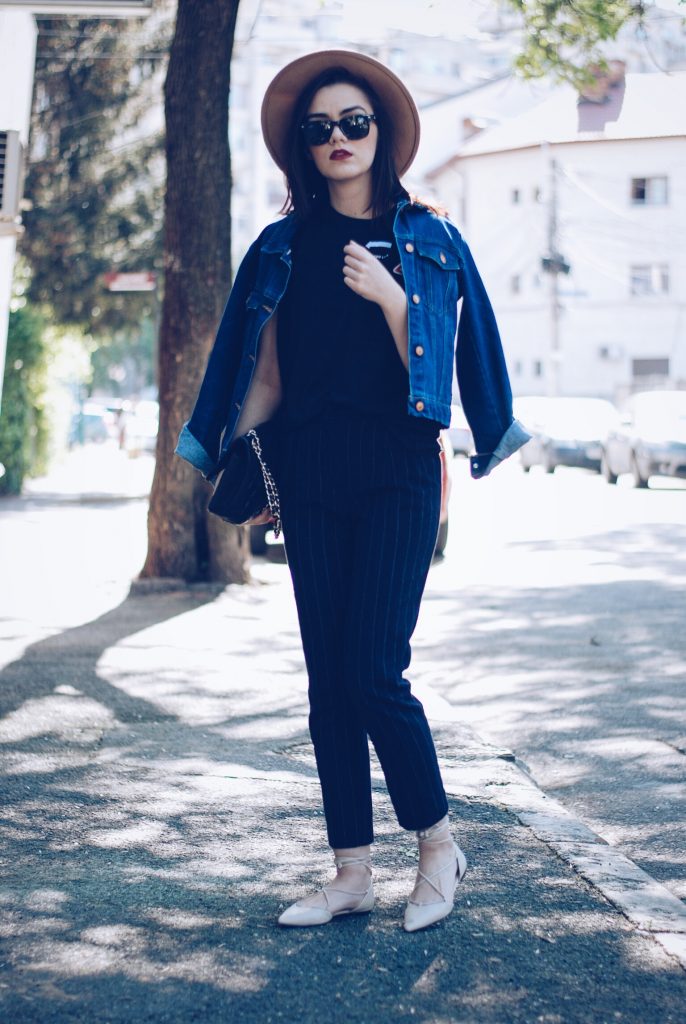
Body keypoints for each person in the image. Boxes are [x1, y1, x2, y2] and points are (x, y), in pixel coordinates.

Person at [176, 50, 529, 932]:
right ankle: (350, 872)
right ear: (305, 144)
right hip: (309, 469)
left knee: (376, 668)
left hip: (401, 469)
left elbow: (448, 359)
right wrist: (237, 459)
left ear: (382, 136)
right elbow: (261, 373)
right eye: (320, 128)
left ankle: (440, 845)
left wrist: (393, 297)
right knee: (330, 680)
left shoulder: (430, 238)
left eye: (354, 124)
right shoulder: (281, 245)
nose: (337, 139)